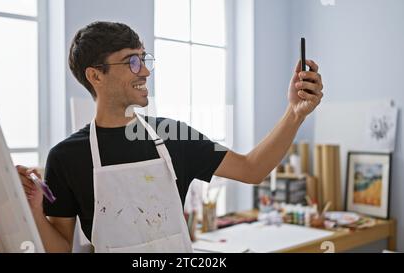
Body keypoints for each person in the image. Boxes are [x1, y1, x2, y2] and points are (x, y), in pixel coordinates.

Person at [17, 21, 324, 253]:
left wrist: (295, 113)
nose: (145, 72)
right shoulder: (66, 157)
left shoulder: (173, 136)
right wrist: (33, 211)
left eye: (143, 59)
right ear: (95, 75)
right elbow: (59, 248)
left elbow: (252, 169)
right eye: (131, 62)